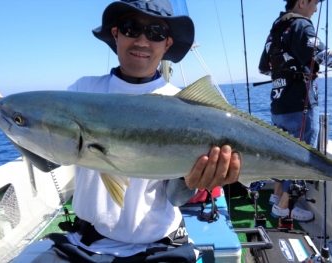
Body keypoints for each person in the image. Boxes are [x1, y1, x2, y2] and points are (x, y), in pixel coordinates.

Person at [13, 1, 241, 262]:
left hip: (161, 247)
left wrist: (194, 180)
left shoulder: (183, 103)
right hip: (84, 242)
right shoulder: (83, 91)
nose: (143, 41)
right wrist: (14, 124)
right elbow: (46, 161)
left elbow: (175, 198)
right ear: (116, 34)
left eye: (156, 32)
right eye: (131, 28)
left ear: (167, 44)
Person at [259, 0, 332, 222]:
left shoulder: (276, 29)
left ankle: (276, 195)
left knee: (283, 154)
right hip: (299, 103)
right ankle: (284, 207)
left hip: (278, 104)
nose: (316, 9)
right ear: (302, 2)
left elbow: (264, 68)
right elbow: (324, 56)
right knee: (301, 157)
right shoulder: (301, 25)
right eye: (315, 3)